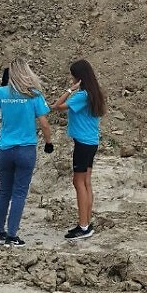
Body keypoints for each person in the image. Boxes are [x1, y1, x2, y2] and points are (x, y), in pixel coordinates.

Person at [0, 57, 54, 247]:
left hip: (5, 148)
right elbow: (44, 123)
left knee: (4, 191)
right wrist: (48, 142)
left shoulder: (1, 92)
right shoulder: (35, 94)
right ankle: (12, 235)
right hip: (26, 148)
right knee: (19, 193)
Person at [50, 59, 106, 241]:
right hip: (90, 142)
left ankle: (83, 226)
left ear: (79, 77)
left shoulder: (82, 95)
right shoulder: (94, 93)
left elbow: (57, 107)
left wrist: (69, 90)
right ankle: (86, 223)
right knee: (86, 182)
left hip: (82, 143)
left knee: (78, 182)